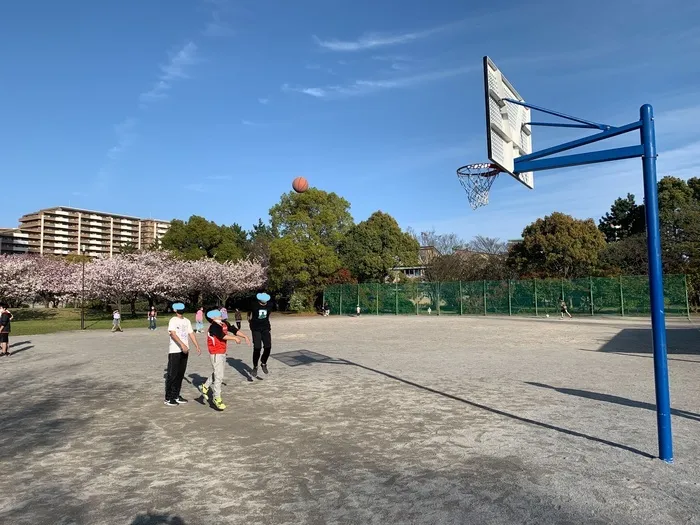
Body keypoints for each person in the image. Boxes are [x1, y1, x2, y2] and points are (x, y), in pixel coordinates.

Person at [200, 309, 250, 410]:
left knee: (218, 372)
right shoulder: (214, 326)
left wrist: (244, 336)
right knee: (219, 376)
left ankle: (205, 386)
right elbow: (222, 336)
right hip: (215, 353)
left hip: (222, 352)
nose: (220, 314)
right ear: (212, 317)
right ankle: (216, 398)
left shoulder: (224, 323)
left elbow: (234, 330)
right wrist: (234, 338)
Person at [165, 302, 201, 406]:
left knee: (180, 374)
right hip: (175, 350)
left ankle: (176, 395)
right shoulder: (173, 320)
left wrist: (197, 345)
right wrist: (182, 345)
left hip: (185, 351)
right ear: (175, 310)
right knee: (172, 374)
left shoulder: (187, 321)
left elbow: (191, 333)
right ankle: (168, 397)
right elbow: (173, 334)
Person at [247, 292, 272, 378]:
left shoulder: (270, 305)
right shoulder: (253, 304)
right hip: (256, 329)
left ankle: (263, 363)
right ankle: (255, 366)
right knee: (257, 348)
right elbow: (249, 314)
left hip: (265, 328)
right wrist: (250, 322)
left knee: (268, 346)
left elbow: (268, 315)